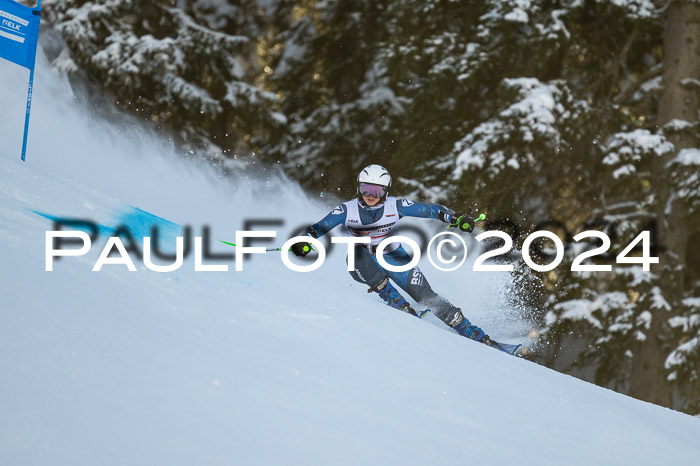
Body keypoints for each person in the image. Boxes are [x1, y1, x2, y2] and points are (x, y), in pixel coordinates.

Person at [292, 164, 498, 347]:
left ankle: (476, 335)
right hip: (361, 262)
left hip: (394, 256)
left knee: (429, 297)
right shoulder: (347, 210)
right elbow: (319, 227)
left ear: (385, 191)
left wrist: (456, 217)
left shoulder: (395, 206)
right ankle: (396, 301)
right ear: (358, 188)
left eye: (377, 190)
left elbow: (432, 210)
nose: (370, 195)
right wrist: (304, 241)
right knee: (357, 250)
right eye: (365, 189)